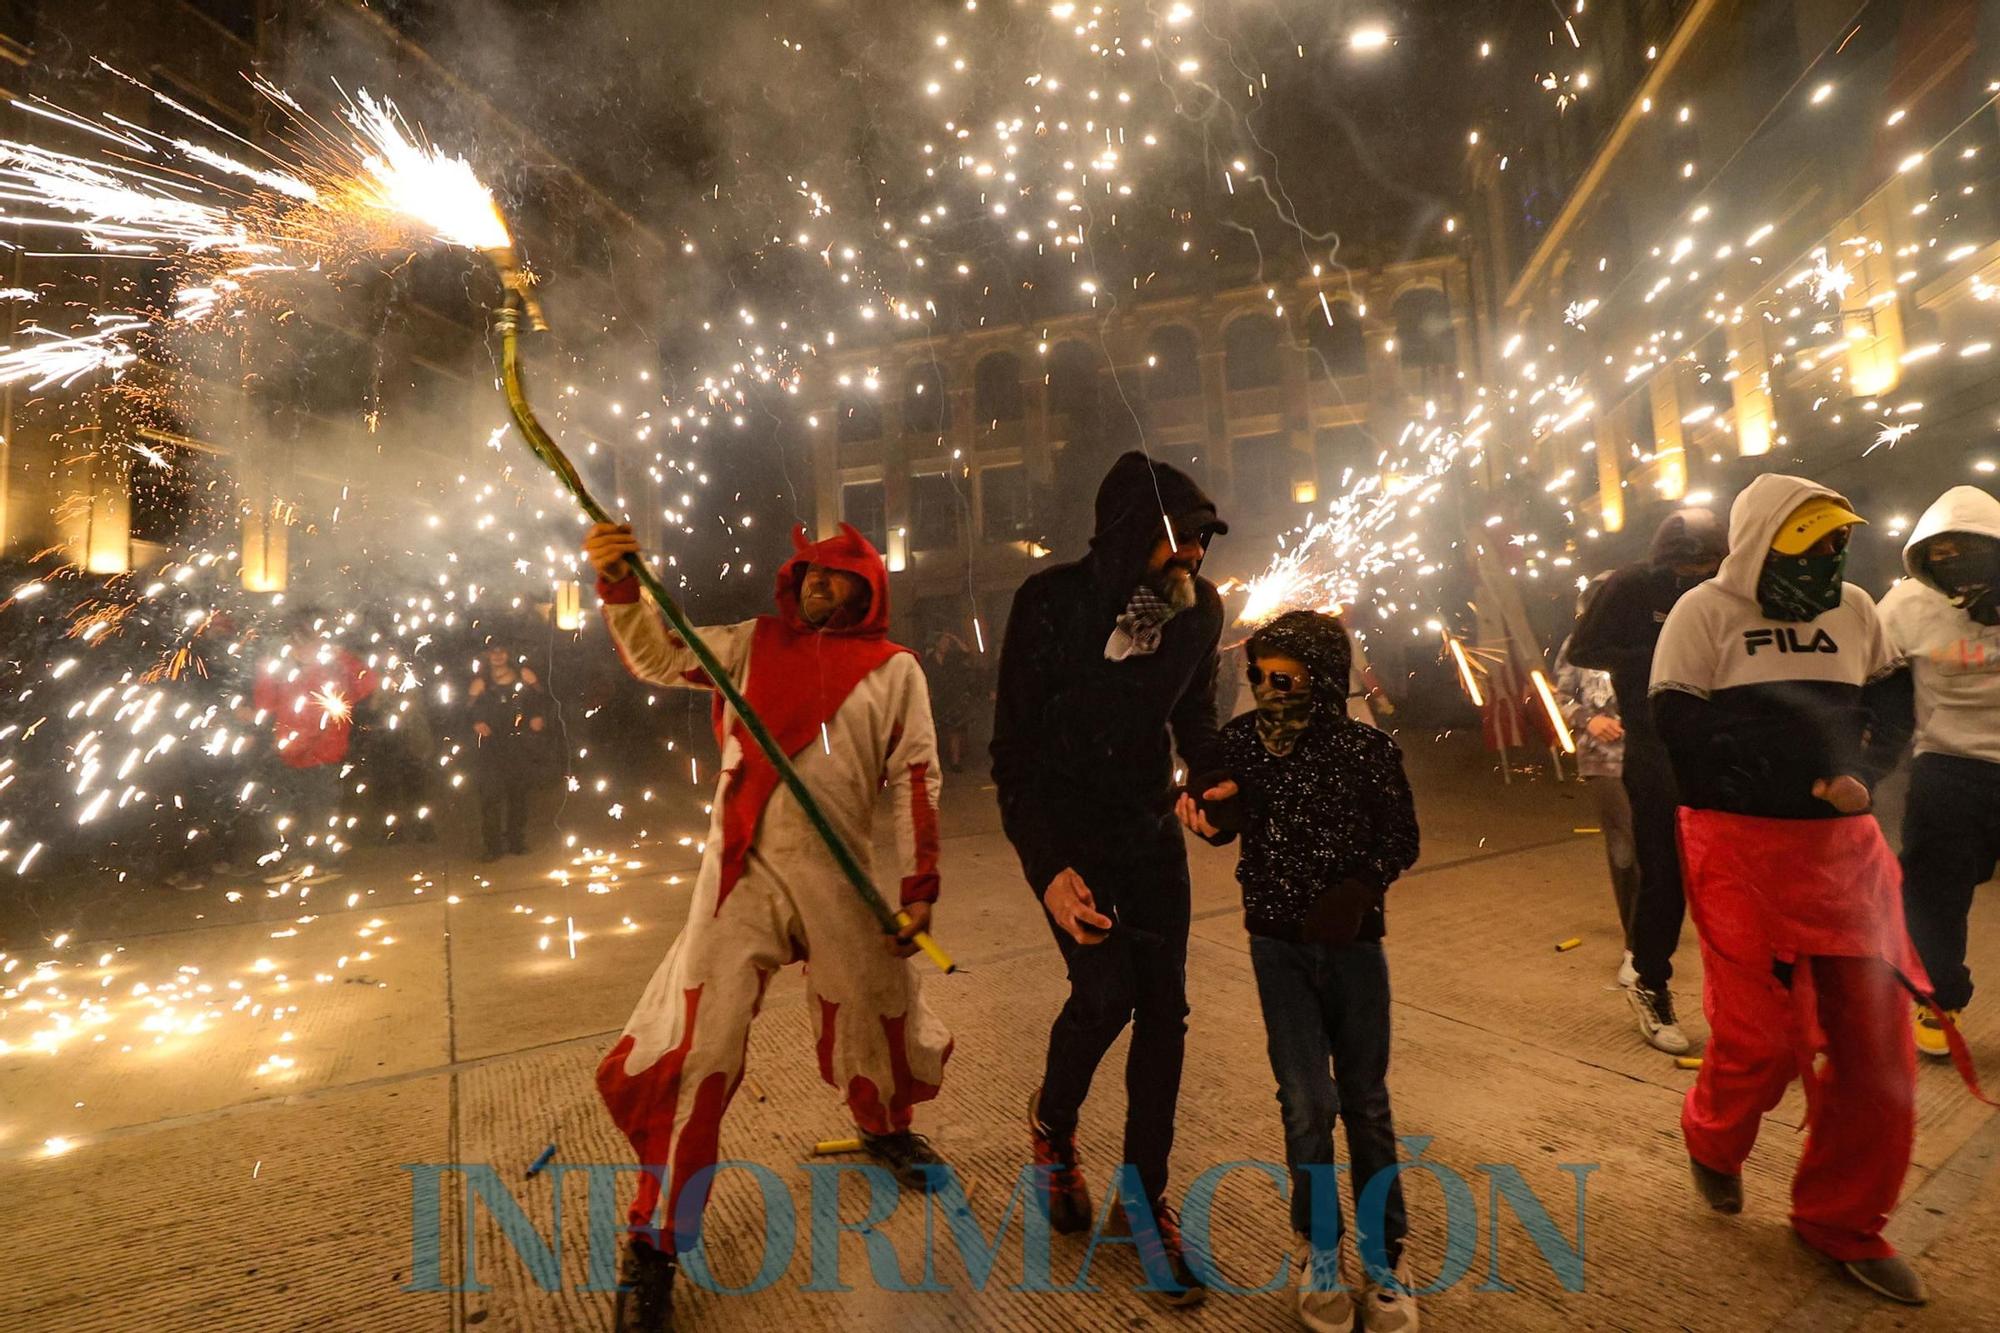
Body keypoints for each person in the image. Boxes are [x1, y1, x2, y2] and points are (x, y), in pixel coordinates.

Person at [583, 519, 951, 1333]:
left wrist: (919, 884)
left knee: (877, 1009)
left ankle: (884, 1126)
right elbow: (654, 650)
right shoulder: (751, 643)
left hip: (839, 875)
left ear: (868, 588)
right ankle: (654, 1244)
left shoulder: (897, 672)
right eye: (808, 573)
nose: (816, 584)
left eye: (834, 575)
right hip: (739, 878)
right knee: (701, 1049)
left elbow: (916, 776)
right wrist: (618, 583)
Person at [1649, 474, 1929, 1304]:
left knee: (1880, 1053)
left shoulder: (1854, 609)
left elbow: (1893, 694)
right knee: (1764, 1037)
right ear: (1761, 538)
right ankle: (1712, 1135)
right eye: (1809, 542)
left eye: (1839, 542)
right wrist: (1762, 775)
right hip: (1739, 846)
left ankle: (1843, 1220)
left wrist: (1862, 770)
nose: (1829, 559)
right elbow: (1677, 725)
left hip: (1845, 852)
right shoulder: (1705, 611)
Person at [991, 449, 1226, 1305]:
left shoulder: (1199, 613)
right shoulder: (1048, 604)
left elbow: (1195, 719)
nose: (1194, 559)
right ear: (1130, 537)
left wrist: (1211, 779)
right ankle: (1052, 1126)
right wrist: (1049, 868)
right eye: (1179, 542)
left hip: (1147, 831)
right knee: (1107, 994)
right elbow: (1010, 758)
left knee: (1165, 1006)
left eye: (1204, 543)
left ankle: (1144, 1192)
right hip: (1066, 835)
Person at [1180, 610, 1421, 1333]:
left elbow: (1401, 836)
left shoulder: (1366, 750)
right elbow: (1225, 811)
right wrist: (1213, 815)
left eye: (1282, 677)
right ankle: (1318, 1248)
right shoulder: (1243, 746)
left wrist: (1360, 888)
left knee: (1366, 1105)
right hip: (1276, 948)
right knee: (1306, 1103)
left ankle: (1387, 1257)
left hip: (1354, 950)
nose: (1267, 690)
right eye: (1258, 677)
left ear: (1319, 677)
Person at [1568, 507, 1725, 1054]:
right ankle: (1650, 982)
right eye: (1687, 566)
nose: (1697, 574)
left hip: (1717, 741)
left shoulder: (1728, 585)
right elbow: (1583, 650)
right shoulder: (1632, 584)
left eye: (1708, 564)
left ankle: (1748, 1001)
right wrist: (1655, 655)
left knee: (1729, 875)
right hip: (1654, 740)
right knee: (1664, 869)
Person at [1877, 485, 2000, 1058]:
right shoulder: (1905, 606)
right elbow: (1867, 675)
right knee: (1931, 892)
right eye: (1940, 556)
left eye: (1967, 551)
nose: (1953, 565)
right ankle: (1936, 996)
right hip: (1948, 764)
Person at [1555, 575, 1641, 989]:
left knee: (1656, 844)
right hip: (1603, 761)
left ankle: (1649, 926)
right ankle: (1635, 947)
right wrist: (1591, 719)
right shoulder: (1578, 647)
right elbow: (1561, 697)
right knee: (1624, 844)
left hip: (1649, 756)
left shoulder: (1646, 640)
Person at [245, 616, 375, 883]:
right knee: (292, 810)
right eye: (295, 645)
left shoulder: (334, 669)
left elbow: (367, 683)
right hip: (290, 751)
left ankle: (325, 862)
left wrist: (342, 656)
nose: (301, 651)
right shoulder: (286, 672)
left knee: (321, 809)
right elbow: (265, 704)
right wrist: (265, 673)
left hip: (324, 753)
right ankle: (296, 858)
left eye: (307, 645)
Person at [466, 643, 548, 861]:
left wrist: (537, 714)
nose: (498, 656)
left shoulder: (524, 678)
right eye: (492, 652)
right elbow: (467, 711)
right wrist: (476, 721)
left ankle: (516, 840)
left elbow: (540, 701)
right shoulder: (481, 683)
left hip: (519, 744)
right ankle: (492, 846)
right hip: (492, 747)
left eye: (501, 650)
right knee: (491, 797)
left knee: (518, 795)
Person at [925, 631, 980, 773]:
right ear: (937, 644)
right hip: (937, 699)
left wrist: (954, 637)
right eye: (943, 642)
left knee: (954, 731)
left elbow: (967, 652)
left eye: (947, 643)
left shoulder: (953, 658)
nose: (945, 645)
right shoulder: (929, 661)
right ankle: (932, 761)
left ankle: (955, 763)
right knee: (934, 731)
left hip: (952, 698)